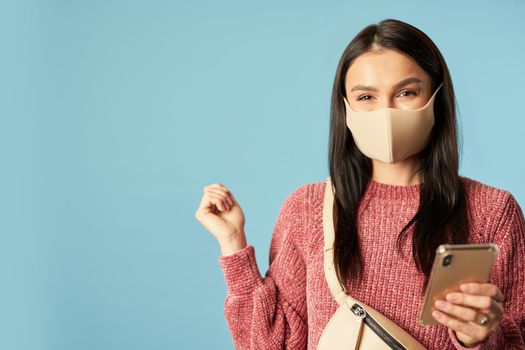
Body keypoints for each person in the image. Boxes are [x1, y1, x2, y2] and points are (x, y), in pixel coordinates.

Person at [194, 18, 525, 349]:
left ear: (436, 98)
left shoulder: (492, 210)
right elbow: (269, 345)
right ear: (346, 108)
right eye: (366, 97)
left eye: (407, 92)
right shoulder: (306, 208)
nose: (386, 112)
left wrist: (481, 338)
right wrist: (233, 243)